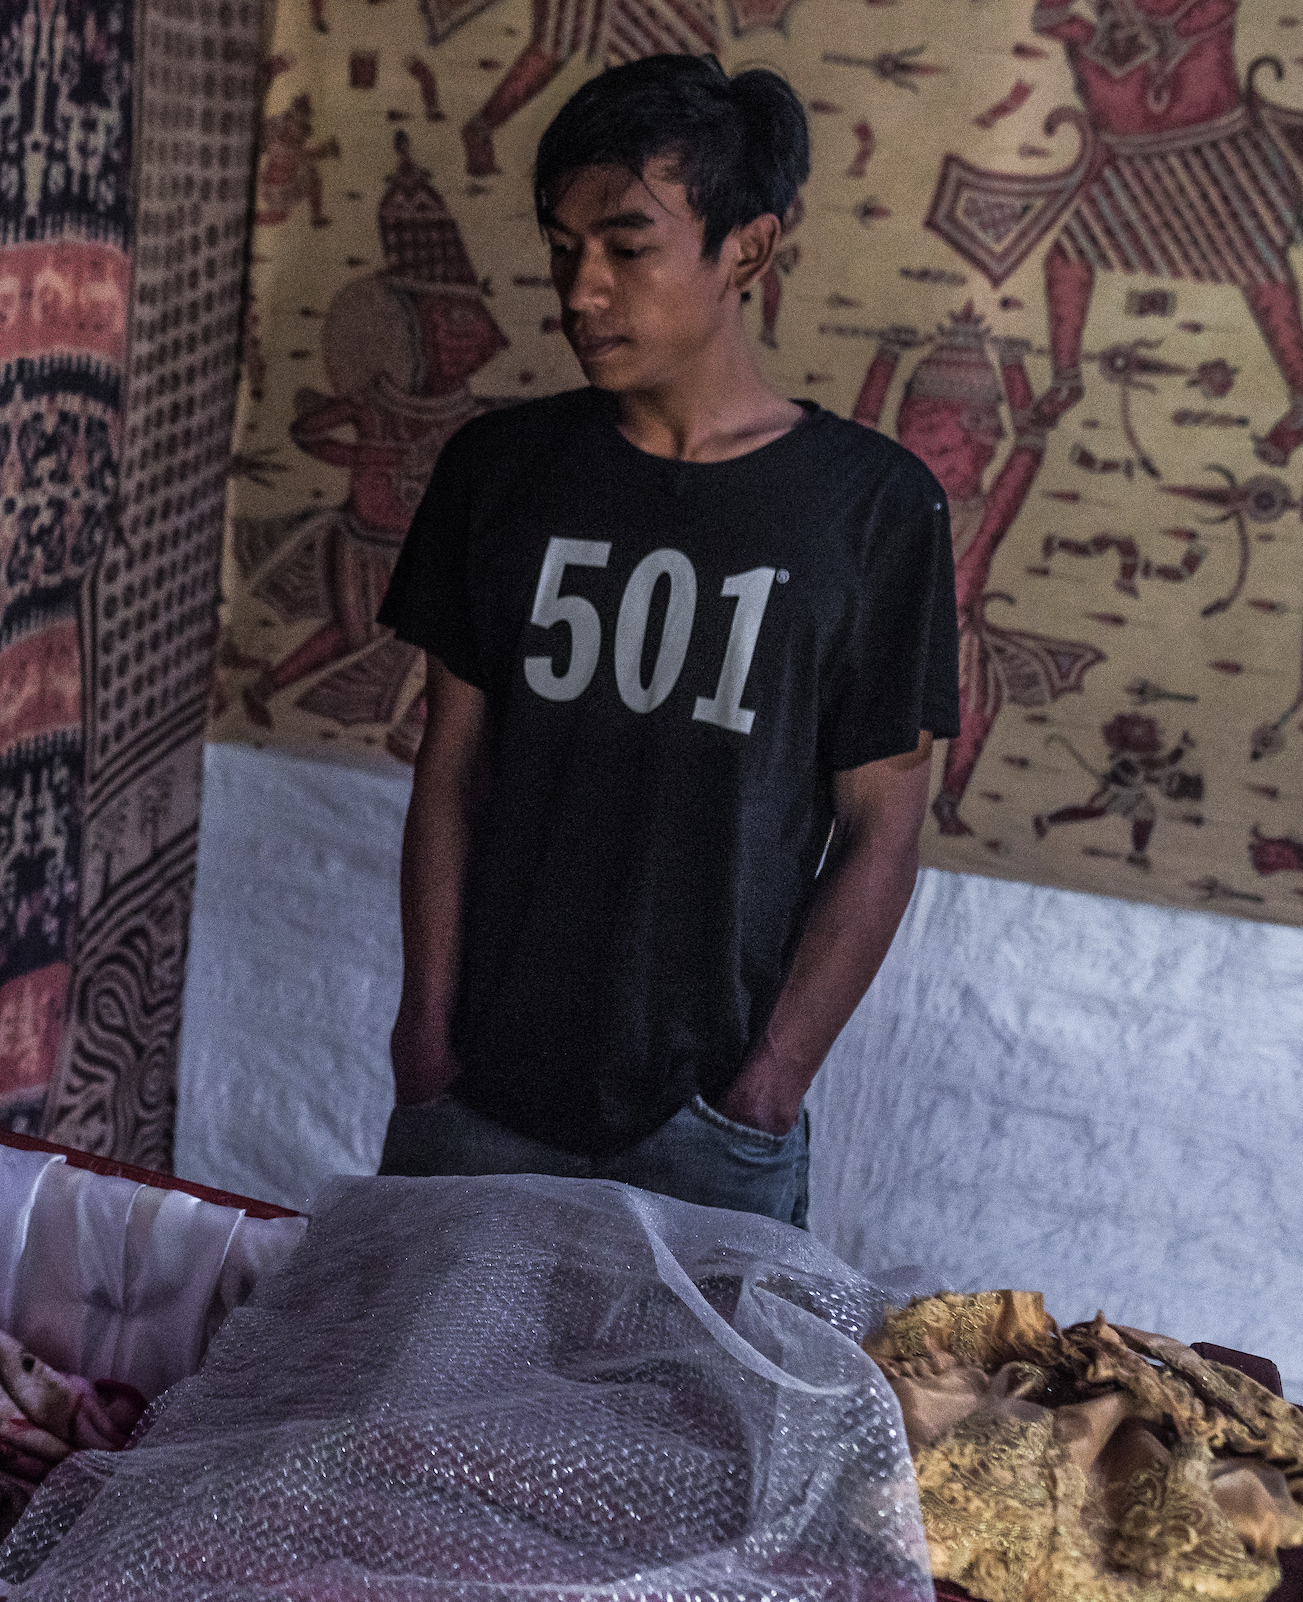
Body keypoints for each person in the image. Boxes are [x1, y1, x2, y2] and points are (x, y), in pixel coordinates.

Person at [375, 54, 960, 1226]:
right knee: (416, 1405)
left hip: (708, 1129)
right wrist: (426, 1037)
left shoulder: (875, 509)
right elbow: (450, 776)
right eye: (562, 245)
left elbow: (883, 827)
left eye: (626, 246)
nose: (580, 289)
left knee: (679, 1415)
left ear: (746, 247)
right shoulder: (500, 473)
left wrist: (768, 1087)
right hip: (478, 1099)